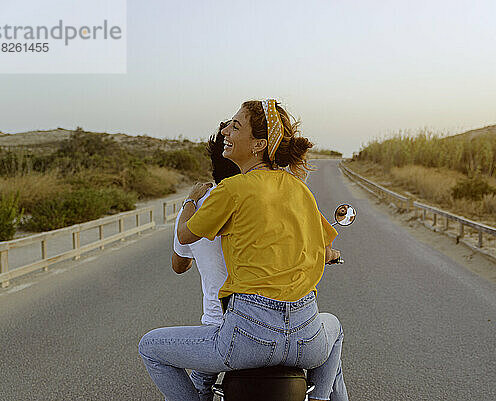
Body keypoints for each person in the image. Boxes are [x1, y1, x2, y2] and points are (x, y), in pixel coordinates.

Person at [139, 99, 348, 401]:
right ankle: (318, 398)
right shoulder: (300, 189)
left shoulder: (232, 189)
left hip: (247, 338)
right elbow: (324, 245)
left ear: (258, 144)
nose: (224, 129)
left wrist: (187, 204)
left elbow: (185, 236)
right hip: (305, 337)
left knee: (150, 347)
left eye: (234, 126)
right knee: (335, 328)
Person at [170, 122, 240, 401]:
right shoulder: (260, 199)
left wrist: (189, 201)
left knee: (195, 383)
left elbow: (179, 265)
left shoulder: (195, 208)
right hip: (265, 320)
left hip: (216, 325)